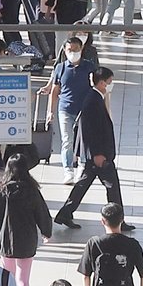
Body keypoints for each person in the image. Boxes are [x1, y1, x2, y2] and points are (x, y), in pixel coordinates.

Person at [55, 67, 128, 227]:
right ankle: (118, 220)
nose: (111, 85)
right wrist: (96, 154)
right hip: (98, 155)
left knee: (85, 184)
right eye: (109, 82)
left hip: (96, 154)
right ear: (102, 83)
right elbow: (88, 130)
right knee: (111, 186)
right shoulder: (93, 101)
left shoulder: (96, 98)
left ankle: (65, 213)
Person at [0, 152, 54, 286]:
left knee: (9, 277)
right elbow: (42, 213)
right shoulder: (32, 190)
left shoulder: (0, 189)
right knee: (23, 280)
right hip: (27, 240)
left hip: (5, 239)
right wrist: (46, 231)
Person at [41, 35, 97, 183]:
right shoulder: (60, 68)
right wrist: (50, 111)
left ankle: (82, 167)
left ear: (82, 49)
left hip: (84, 111)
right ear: (65, 51)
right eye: (70, 50)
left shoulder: (89, 67)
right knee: (67, 140)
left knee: (84, 140)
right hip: (65, 109)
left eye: (76, 49)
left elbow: (95, 88)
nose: (73, 53)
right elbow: (55, 91)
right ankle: (68, 170)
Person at [78, 202, 143, 286]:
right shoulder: (132, 244)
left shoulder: (94, 243)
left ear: (103, 221)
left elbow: (86, 275)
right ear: (122, 220)